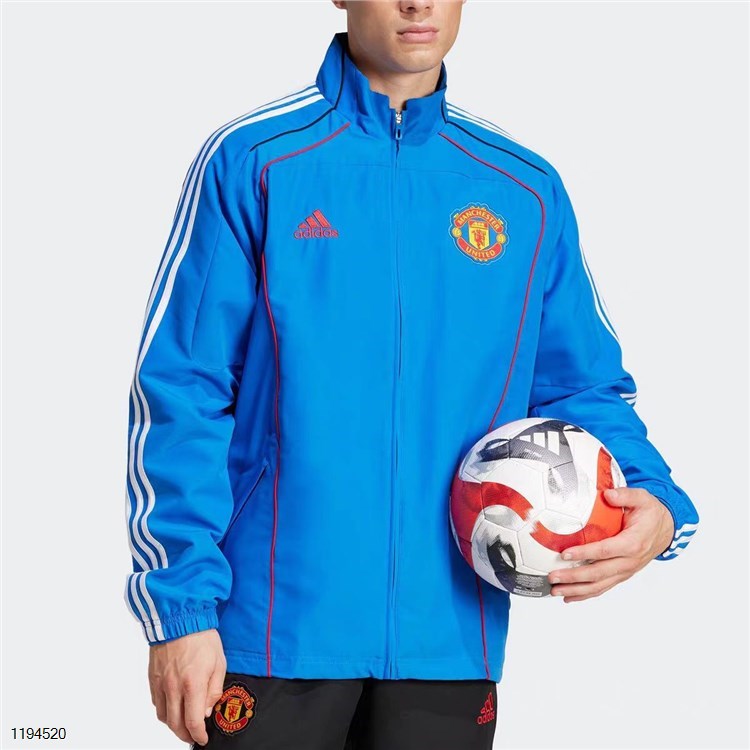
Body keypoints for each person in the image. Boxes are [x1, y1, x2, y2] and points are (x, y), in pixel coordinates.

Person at [123, 2, 700, 748]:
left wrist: (655, 501)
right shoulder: (256, 161)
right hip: (270, 630)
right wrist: (181, 609)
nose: (418, 2)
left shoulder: (523, 189)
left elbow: (580, 386)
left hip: (450, 636)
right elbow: (183, 389)